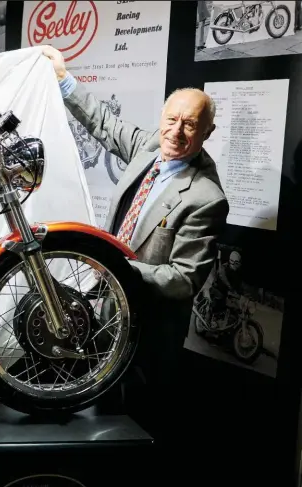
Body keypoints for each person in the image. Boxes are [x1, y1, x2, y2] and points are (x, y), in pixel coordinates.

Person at [42, 45, 229, 434]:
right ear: (161, 117)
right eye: (172, 119)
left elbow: (183, 280)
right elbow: (104, 123)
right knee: (93, 417)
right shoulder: (150, 148)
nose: (177, 131)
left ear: (207, 132)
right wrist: (62, 78)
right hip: (105, 316)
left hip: (148, 334)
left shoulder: (206, 198)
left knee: (133, 426)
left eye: (190, 124)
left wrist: (119, 268)